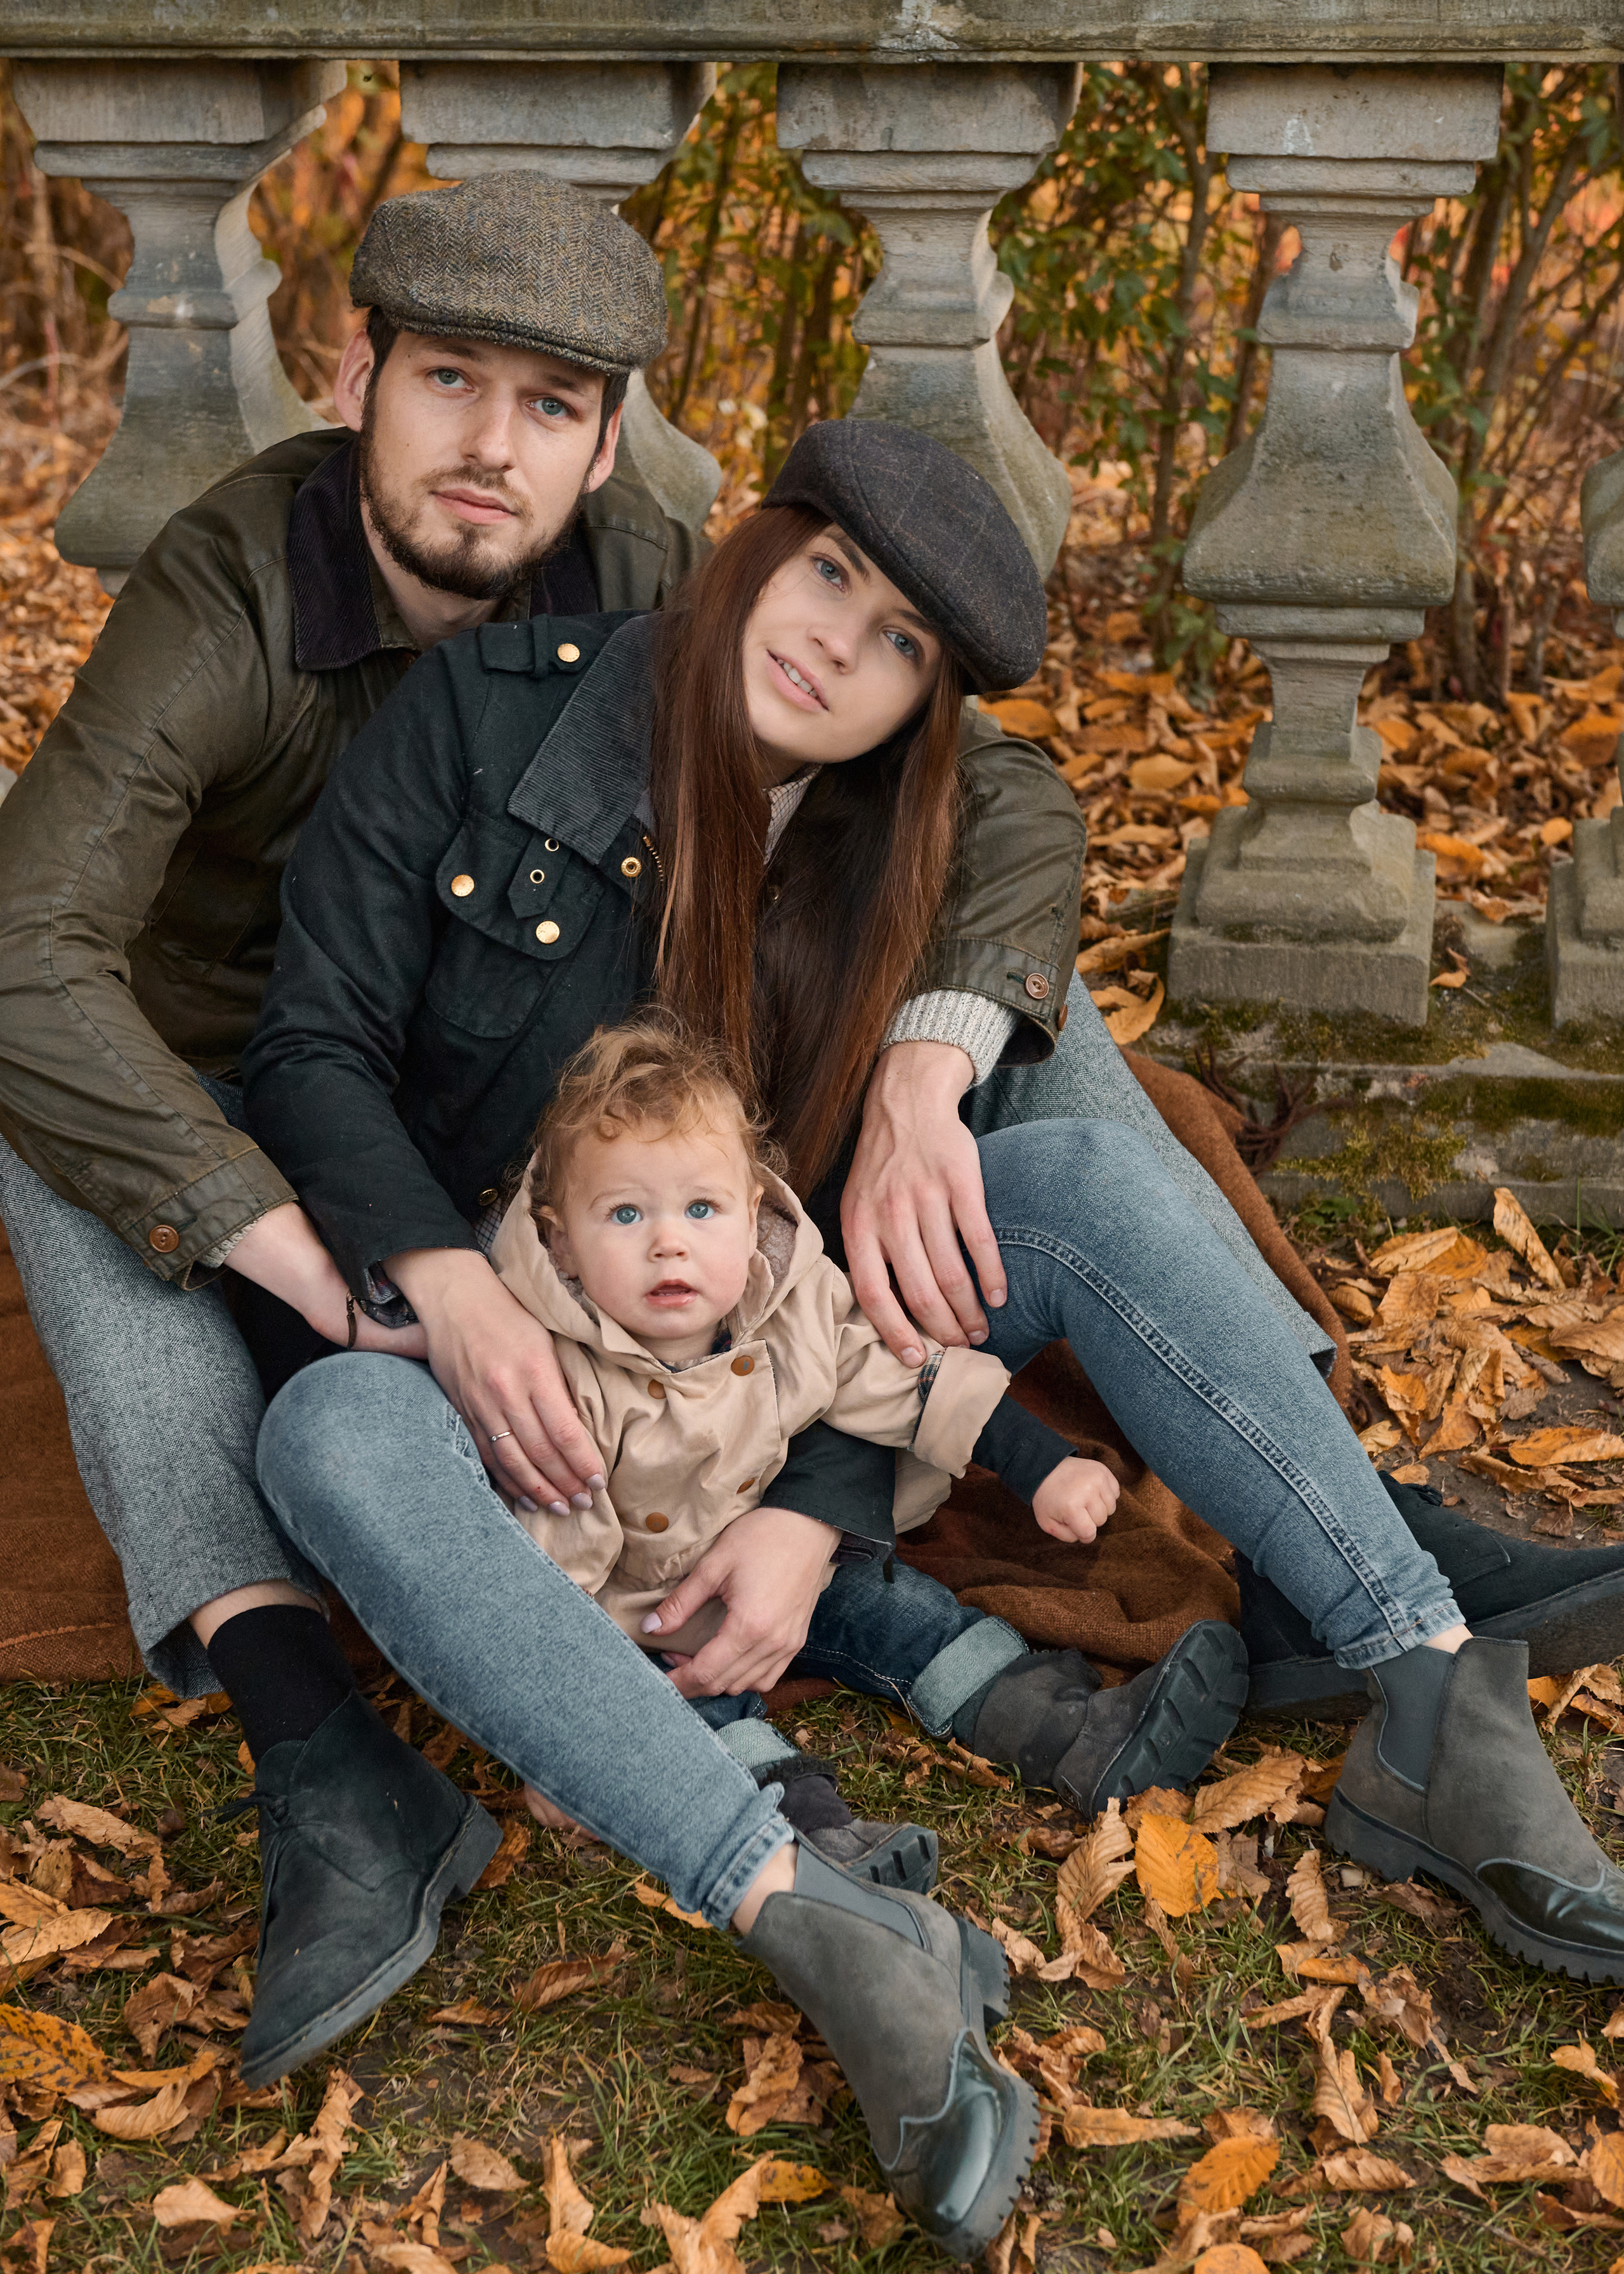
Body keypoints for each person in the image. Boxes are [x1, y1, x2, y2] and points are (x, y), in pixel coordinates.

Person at [247, 417, 1624, 2178]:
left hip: (782, 1365)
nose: (837, 641)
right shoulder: (497, 712)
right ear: (759, 544)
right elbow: (308, 1047)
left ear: (924, 705)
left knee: (1095, 1177)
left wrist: (815, 1509)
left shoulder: (895, 844)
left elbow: (842, 1266)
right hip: (519, 1390)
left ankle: (1425, 1685)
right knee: (324, 1430)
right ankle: (814, 1910)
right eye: (829, 573)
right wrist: (446, 1287)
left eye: (900, 642)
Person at [0, 173, 1092, 2085]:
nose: (493, 451)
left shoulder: (663, 572)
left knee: (1028, 1060)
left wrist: (926, 1056)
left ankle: (1337, 1528)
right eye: (448, 382)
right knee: (65, 1149)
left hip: (513, 1100)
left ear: (610, 439)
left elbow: (996, 800)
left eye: (554, 406)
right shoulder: (232, 578)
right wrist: (310, 1256)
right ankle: (328, 1765)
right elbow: (22, 946)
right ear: (357, 374)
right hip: (223, 1072)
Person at [490, 1012, 1247, 1843]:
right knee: (707, 1727)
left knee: (910, 1613)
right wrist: (563, 1740)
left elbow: (911, 1380)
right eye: (626, 1216)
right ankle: (814, 1854)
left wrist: (1046, 1467)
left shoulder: (789, 1305)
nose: (670, 1243)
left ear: (752, 1220)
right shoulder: (561, 1380)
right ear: (560, 1246)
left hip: (796, 1572)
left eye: (701, 1208)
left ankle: (1066, 1731)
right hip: (648, 1628)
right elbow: (550, 1577)